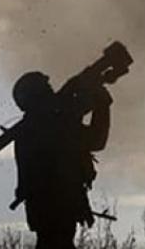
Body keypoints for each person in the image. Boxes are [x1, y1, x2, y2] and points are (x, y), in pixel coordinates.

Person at [12, 70, 112, 249]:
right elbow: (96, 140)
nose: (53, 93)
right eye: (47, 90)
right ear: (38, 97)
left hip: (49, 210)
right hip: (56, 209)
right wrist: (102, 104)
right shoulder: (46, 127)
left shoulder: (35, 128)